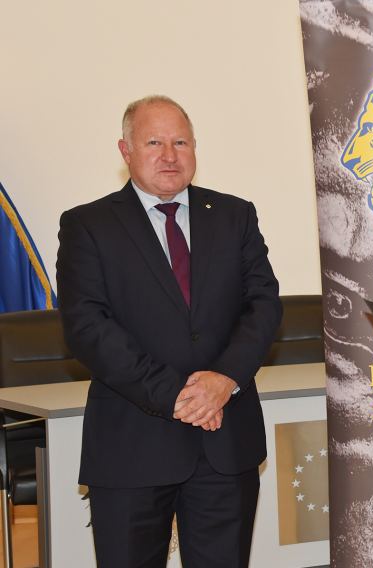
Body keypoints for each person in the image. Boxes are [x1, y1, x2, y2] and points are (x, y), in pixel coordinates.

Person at [57, 95, 282, 567]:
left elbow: (262, 307)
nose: (169, 155)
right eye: (154, 142)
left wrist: (224, 380)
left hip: (225, 443)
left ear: (195, 148)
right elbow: (87, 327)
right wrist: (176, 395)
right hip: (132, 446)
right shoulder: (87, 225)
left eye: (181, 142)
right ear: (126, 151)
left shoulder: (235, 215)